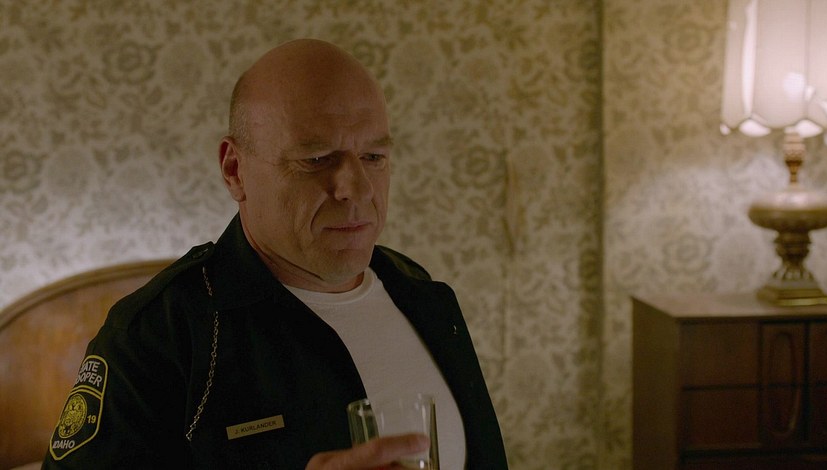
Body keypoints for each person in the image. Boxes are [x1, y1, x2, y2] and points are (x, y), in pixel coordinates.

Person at [42, 38, 507, 469]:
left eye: (373, 157)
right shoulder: (158, 337)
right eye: (316, 159)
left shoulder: (422, 292)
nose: (357, 189)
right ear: (234, 170)